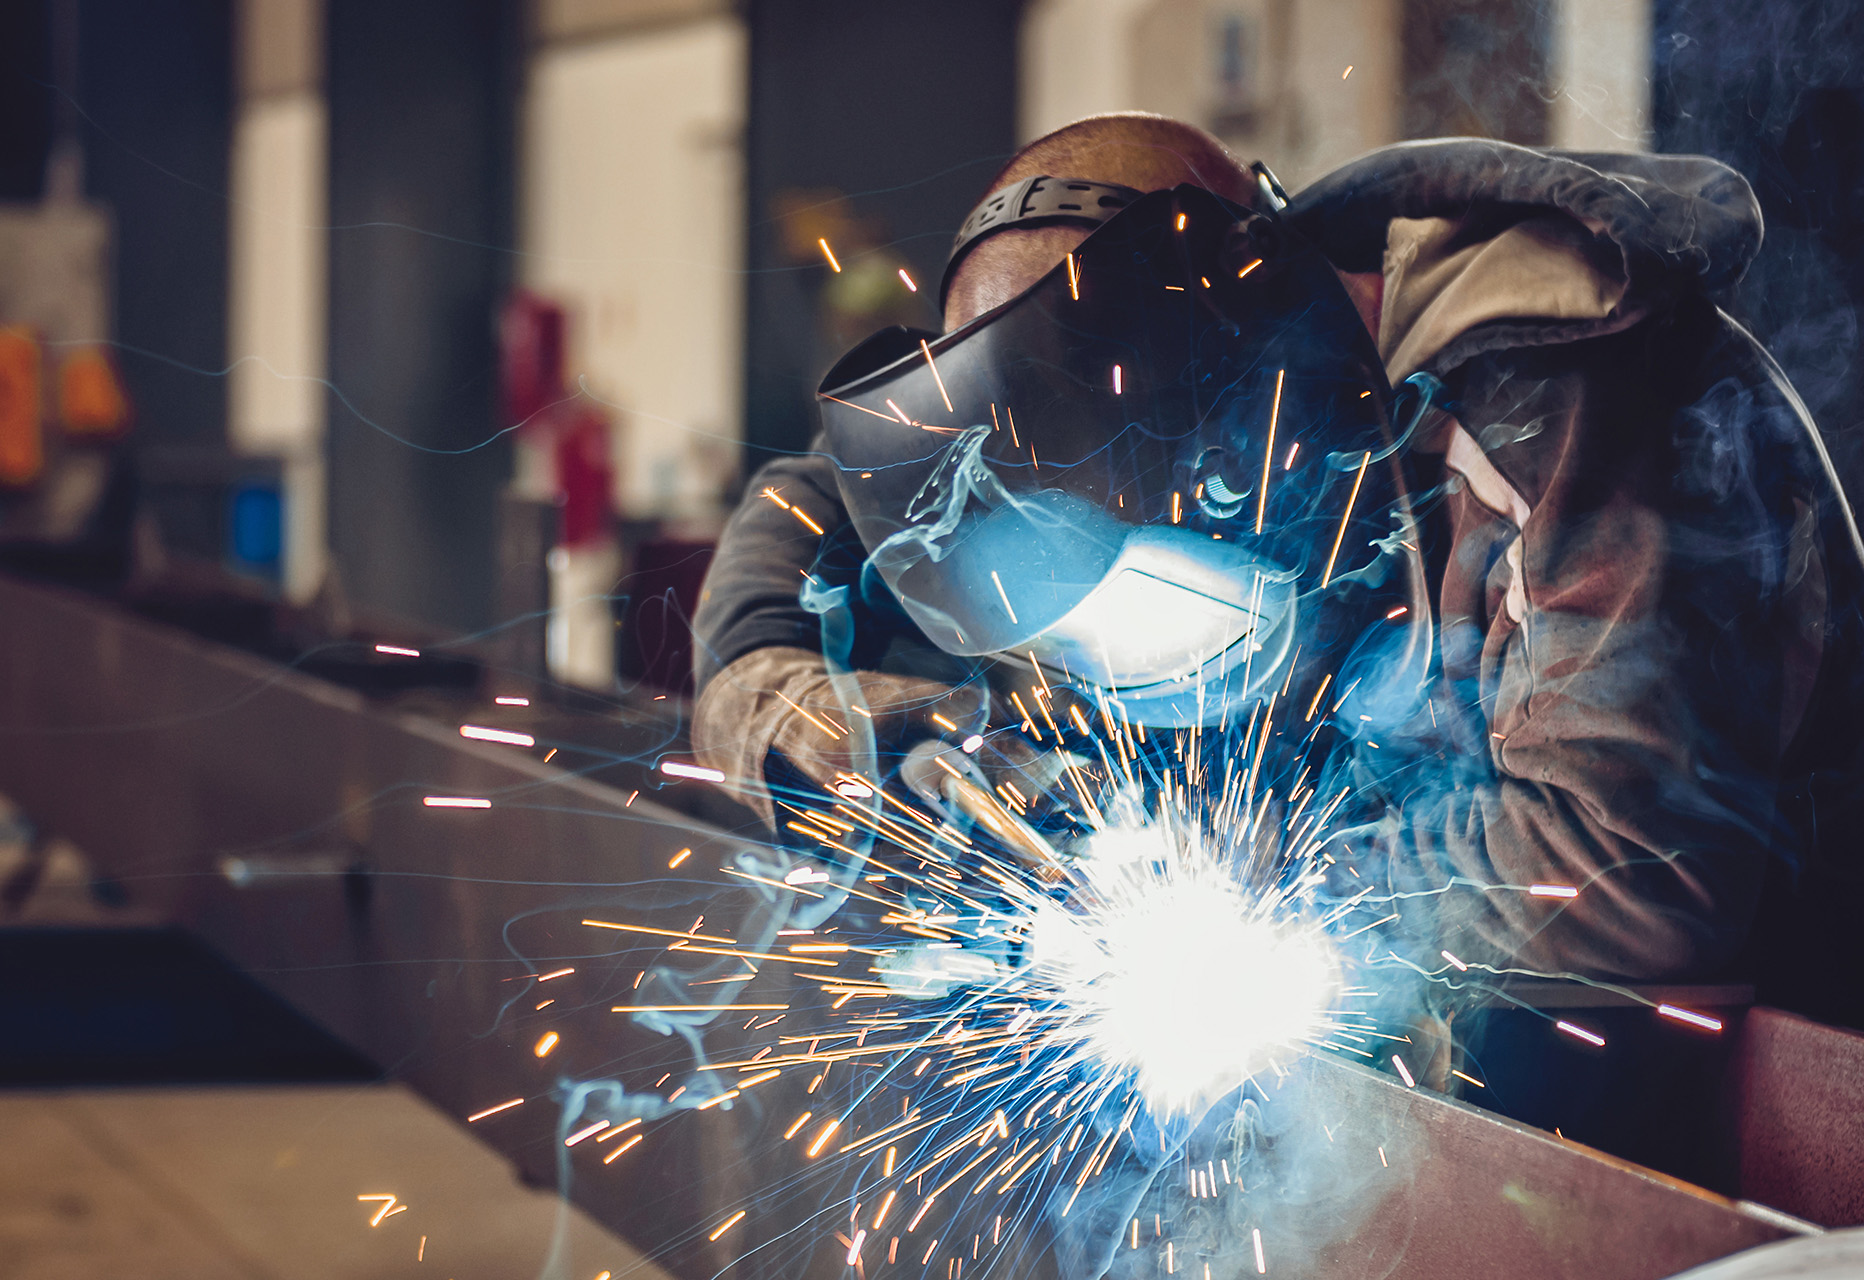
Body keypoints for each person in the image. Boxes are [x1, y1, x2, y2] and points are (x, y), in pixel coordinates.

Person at [690, 113, 1864, 1025]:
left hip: (1790, 1052)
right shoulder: (1159, 407)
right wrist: (768, 677)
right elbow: (817, 496)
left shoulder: (1565, 396)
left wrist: (1238, 890)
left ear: (1239, 377)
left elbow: (1622, 870)